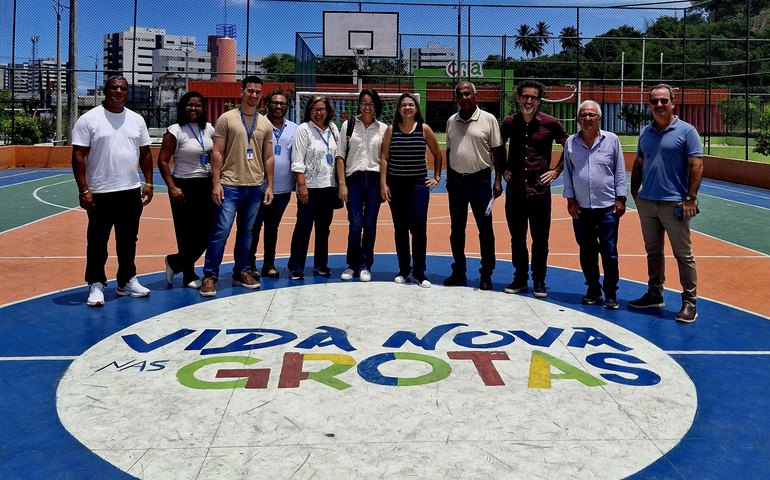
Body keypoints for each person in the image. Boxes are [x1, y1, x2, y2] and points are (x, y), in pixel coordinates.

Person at [71, 75, 154, 307]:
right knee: (97, 241)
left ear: (127, 93)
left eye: (123, 89)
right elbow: (78, 156)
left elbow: (146, 153)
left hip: (129, 190)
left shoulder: (137, 120)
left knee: (128, 241)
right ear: (105, 91)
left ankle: (126, 280)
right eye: (114, 88)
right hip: (100, 192)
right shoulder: (89, 119)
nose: (119, 91)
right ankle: (96, 283)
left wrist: (148, 182)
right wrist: (84, 189)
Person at [630, 83, 704, 323]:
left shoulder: (687, 131)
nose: (659, 105)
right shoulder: (645, 132)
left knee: (683, 254)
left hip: (674, 203)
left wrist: (690, 198)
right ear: (649, 104)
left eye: (664, 101)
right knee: (653, 251)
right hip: (648, 201)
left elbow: (696, 165)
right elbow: (640, 163)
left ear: (673, 102)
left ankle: (689, 302)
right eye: (654, 101)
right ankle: (655, 293)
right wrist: (635, 192)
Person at [199, 75, 274, 297]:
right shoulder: (227, 118)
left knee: (247, 233)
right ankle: (210, 275)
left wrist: (269, 185)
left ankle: (241, 271)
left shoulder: (265, 123)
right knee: (221, 231)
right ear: (241, 91)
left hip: (254, 186)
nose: (254, 95)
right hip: (230, 185)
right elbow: (217, 152)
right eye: (250, 91)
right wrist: (216, 183)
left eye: (258, 92)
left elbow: (268, 157)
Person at [500, 79, 569, 298]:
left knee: (540, 239)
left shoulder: (551, 123)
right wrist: (502, 168)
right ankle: (520, 278)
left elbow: (571, 146)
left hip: (540, 192)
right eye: (525, 96)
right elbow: (497, 146)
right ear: (518, 97)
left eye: (533, 97)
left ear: (539, 101)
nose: (529, 100)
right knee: (517, 238)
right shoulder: (509, 122)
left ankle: (539, 280)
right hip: (516, 191)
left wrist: (557, 170)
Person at [562, 100, 627, 310]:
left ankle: (610, 293)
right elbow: (568, 173)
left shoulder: (612, 140)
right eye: (583, 115)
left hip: (607, 206)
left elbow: (619, 170)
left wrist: (621, 198)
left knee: (609, 252)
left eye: (591, 115)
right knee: (587, 251)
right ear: (578, 119)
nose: (587, 118)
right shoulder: (571, 143)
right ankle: (592, 289)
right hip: (581, 208)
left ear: (599, 118)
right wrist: (570, 199)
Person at [443, 81, 505, 291]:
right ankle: (459, 270)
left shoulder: (489, 120)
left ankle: (486, 273)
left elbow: (498, 152)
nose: (464, 97)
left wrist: (497, 180)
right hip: (457, 181)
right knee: (456, 229)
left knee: (485, 229)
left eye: (468, 93)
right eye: (460, 94)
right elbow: (449, 152)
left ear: (475, 96)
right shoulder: (451, 120)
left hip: (480, 180)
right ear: (457, 98)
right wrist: (450, 180)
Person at [380, 93, 444, 287]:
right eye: (404, 105)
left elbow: (437, 154)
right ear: (399, 109)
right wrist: (383, 183)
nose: (407, 108)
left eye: (411, 105)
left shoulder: (424, 129)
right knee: (400, 229)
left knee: (418, 228)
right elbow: (384, 158)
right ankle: (404, 269)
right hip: (396, 185)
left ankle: (419, 272)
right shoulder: (392, 130)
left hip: (417, 186)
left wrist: (437, 177)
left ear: (416, 109)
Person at [157, 91, 217, 289]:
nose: (193, 109)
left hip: (206, 184)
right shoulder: (175, 130)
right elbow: (163, 161)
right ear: (183, 107)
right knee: (186, 233)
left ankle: (175, 262)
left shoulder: (209, 128)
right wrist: (172, 187)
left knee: (209, 231)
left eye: (198, 105)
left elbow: (215, 156)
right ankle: (188, 274)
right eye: (189, 105)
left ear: (203, 108)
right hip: (183, 185)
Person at [335, 89, 387, 282]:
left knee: (370, 225)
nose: (367, 107)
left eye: (371, 103)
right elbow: (340, 156)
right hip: (353, 179)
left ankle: (365, 265)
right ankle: (352, 264)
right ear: (359, 104)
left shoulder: (382, 128)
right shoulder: (348, 126)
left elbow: (384, 159)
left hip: (374, 180)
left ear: (376, 106)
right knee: (355, 224)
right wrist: (342, 183)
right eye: (364, 103)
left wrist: (383, 184)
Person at [287, 96, 340, 280]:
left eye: (322, 109)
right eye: (315, 109)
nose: (319, 113)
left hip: (329, 187)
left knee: (324, 229)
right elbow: (297, 160)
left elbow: (339, 155)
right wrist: (301, 185)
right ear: (309, 111)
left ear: (328, 111)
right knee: (303, 227)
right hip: (309, 188)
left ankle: (321, 264)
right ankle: (296, 266)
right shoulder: (304, 129)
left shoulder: (333, 129)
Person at [248, 93, 298, 279]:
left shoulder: (294, 128)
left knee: (272, 228)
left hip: (283, 190)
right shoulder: (258, 124)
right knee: (253, 227)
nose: (278, 106)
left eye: (282, 104)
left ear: (287, 107)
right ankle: (250, 264)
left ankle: (269, 263)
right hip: (258, 187)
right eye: (275, 103)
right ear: (268, 104)